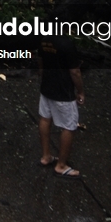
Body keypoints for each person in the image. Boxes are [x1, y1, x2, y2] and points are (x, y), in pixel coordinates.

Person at [37, 34, 85, 179]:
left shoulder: (44, 40)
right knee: (69, 126)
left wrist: (43, 75)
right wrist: (81, 91)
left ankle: (46, 156)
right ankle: (61, 165)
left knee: (45, 119)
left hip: (46, 88)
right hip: (63, 92)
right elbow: (75, 72)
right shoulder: (67, 44)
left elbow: (40, 61)